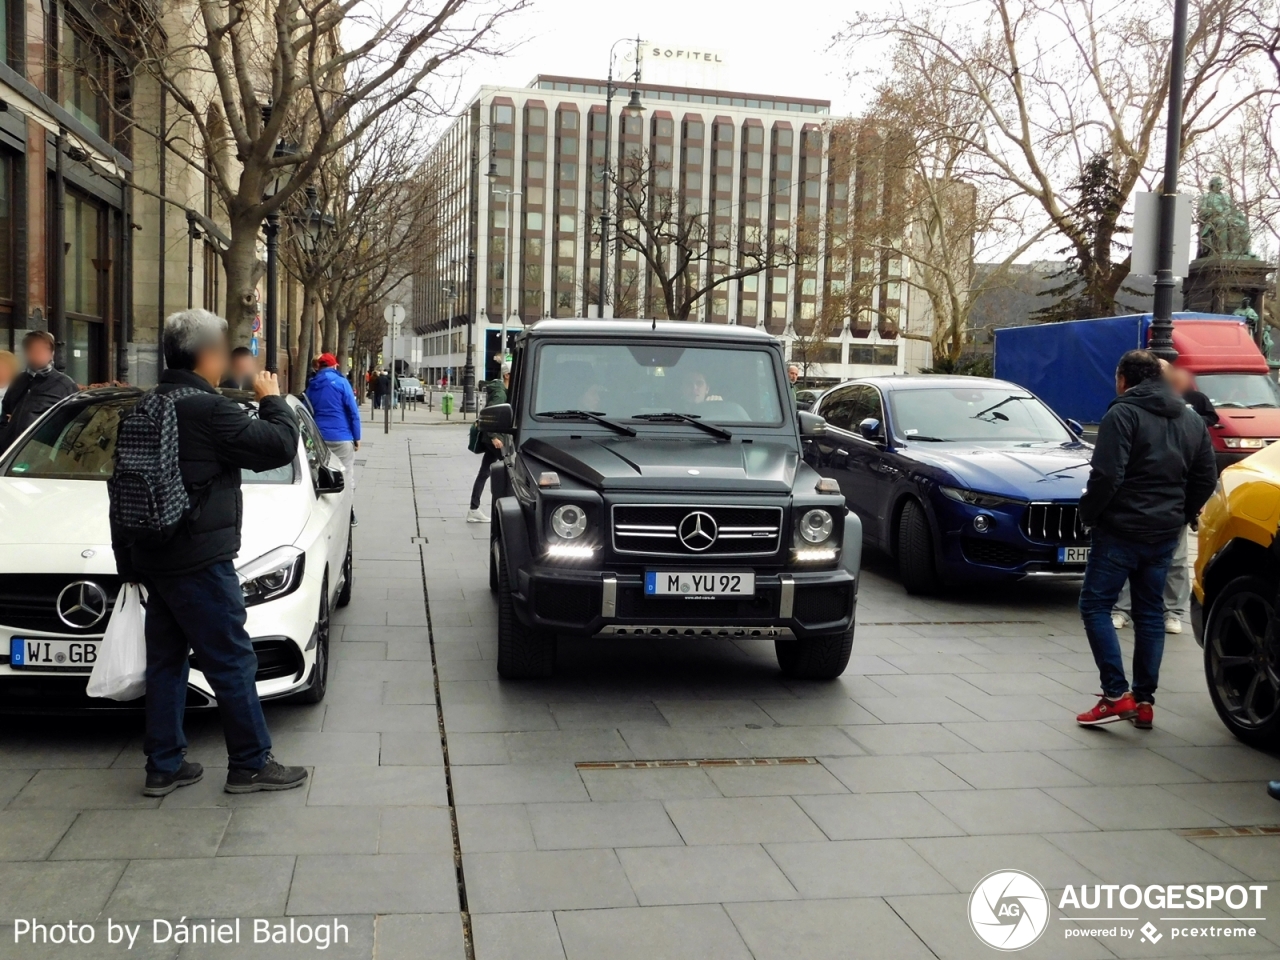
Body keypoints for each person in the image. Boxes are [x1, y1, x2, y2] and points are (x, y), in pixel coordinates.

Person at [111, 308, 307, 797]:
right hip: (199, 560)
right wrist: (272, 400)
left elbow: (118, 489)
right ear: (208, 356)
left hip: (154, 557)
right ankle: (250, 762)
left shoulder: (145, 406)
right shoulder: (209, 410)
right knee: (231, 661)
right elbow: (279, 446)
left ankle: (163, 764)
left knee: (166, 661)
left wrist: (128, 563)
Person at [1075, 350, 1216, 730]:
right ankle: (1144, 700)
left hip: (1120, 529)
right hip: (1163, 533)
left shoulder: (1122, 413)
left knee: (1095, 606)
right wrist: (1180, 513)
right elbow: (1205, 477)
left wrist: (1089, 514)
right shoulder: (1190, 419)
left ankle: (1115, 694)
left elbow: (1106, 474)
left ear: (1123, 378)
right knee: (1150, 614)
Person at [1112, 365, 1218, 635]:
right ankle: (1137, 611)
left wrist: (1188, 509)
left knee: (1171, 561)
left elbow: (1203, 473)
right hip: (1163, 508)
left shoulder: (1185, 414)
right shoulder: (1135, 412)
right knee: (1168, 561)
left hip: (1154, 508)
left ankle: (1164, 611)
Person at [306, 352, 361, 526]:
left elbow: (309, 410)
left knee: (322, 477)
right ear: (334, 366)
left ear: (319, 367)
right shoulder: (342, 383)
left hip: (319, 437)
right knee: (346, 475)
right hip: (342, 436)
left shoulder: (312, 385)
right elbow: (353, 412)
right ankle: (349, 514)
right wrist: (357, 436)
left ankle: (322, 514)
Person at [0, 331, 79, 451]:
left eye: (43, 349)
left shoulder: (64, 385)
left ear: (51, 353)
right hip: (9, 453)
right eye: (33, 349)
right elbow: (5, 413)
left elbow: (74, 423)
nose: (38, 353)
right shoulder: (19, 381)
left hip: (40, 454)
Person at [467, 362, 510, 523]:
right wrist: (494, 437)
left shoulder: (502, 390)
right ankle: (505, 509)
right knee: (510, 472)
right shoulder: (500, 394)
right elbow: (490, 415)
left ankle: (474, 509)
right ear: (507, 375)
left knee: (484, 473)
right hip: (495, 440)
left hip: (493, 439)